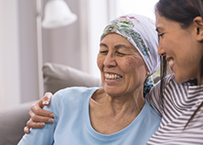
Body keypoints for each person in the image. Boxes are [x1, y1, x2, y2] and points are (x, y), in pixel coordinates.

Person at [24, 0, 203, 144]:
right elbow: (127, 93)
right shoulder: (170, 92)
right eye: (103, 50)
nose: (160, 49)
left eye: (162, 34)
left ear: (198, 29)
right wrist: (48, 105)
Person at [18, 14, 161, 145]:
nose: (107, 62)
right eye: (103, 51)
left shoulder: (157, 128)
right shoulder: (63, 102)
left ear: (149, 65)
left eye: (121, 53)